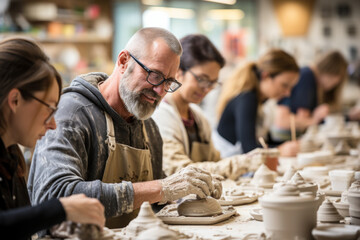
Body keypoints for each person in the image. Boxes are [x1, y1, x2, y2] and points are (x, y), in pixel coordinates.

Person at [27, 27, 221, 229]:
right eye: (155, 75)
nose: (159, 91)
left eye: (168, 82)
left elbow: (152, 200)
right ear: (123, 61)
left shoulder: (149, 129)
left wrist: (187, 191)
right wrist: (162, 188)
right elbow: (53, 197)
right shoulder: (73, 114)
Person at [0, 38, 105, 240]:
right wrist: (59, 208)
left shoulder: (11, 158)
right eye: (49, 109)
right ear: (15, 100)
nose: (53, 124)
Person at [152, 34, 250, 180]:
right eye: (202, 79)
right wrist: (243, 163)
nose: (207, 89)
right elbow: (178, 170)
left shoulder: (198, 117)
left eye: (213, 83)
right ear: (178, 72)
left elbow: (216, 161)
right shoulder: (161, 114)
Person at [213, 49, 300, 158]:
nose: (288, 93)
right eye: (284, 85)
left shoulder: (261, 100)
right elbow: (250, 150)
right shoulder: (247, 98)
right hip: (227, 163)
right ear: (266, 76)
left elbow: (264, 142)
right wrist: (280, 150)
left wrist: (286, 145)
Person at [273, 51, 350, 141]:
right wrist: (314, 119)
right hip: (286, 137)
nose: (334, 85)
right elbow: (288, 120)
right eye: (336, 81)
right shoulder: (307, 77)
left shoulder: (310, 76)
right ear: (333, 74)